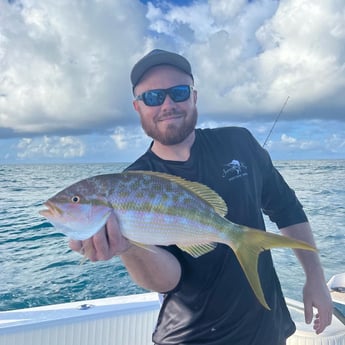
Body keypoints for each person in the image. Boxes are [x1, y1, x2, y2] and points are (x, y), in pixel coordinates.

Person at [69, 49, 333, 345]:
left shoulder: (239, 142)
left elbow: (285, 207)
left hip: (267, 331)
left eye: (178, 92)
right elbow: (170, 280)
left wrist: (315, 277)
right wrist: (128, 247)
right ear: (137, 107)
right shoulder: (133, 182)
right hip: (190, 337)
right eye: (153, 97)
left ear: (194, 96)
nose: (167, 104)